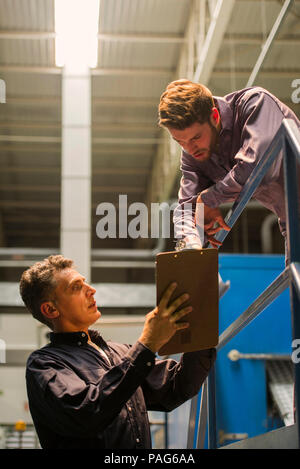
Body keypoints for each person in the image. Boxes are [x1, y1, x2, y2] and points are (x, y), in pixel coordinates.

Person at [20, 255, 216, 449]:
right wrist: (147, 345)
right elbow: (87, 413)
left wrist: (199, 325)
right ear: (51, 309)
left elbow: (177, 386)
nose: (91, 290)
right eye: (76, 287)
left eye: (85, 283)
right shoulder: (44, 364)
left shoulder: (118, 351)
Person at [158, 79, 300, 257]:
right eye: (180, 141)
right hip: (293, 224)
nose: (189, 148)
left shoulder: (255, 103)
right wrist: (191, 244)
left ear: (215, 116)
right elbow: (187, 207)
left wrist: (209, 199)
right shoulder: (193, 155)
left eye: (196, 137)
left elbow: (257, 166)